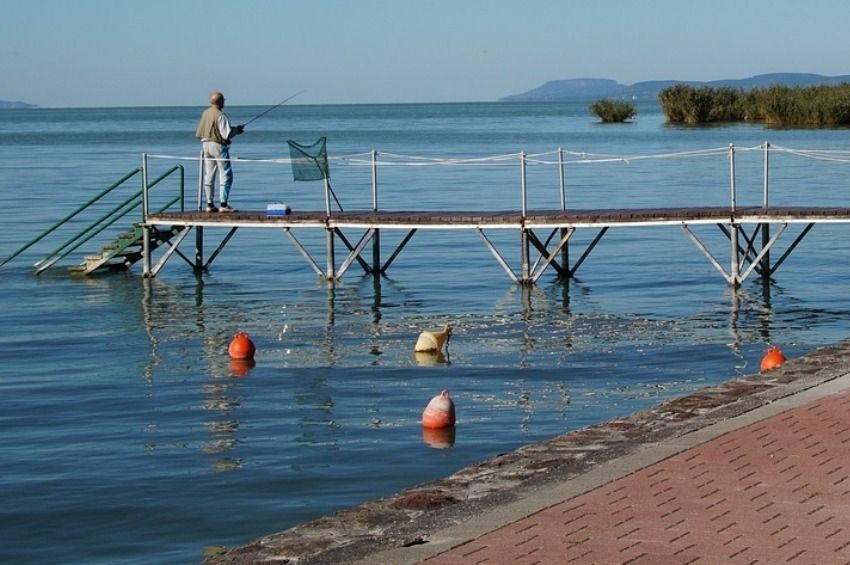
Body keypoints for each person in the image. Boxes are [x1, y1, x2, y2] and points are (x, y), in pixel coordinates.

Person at [195, 92, 244, 213]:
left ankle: (209, 203)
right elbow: (226, 134)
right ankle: (223, 204)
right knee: (225, 174)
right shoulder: (220, 115)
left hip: (205, 145)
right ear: (220, 101)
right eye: (223, 100)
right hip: (218, 146)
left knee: (209, 174)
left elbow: (199, 132)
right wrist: (237, 130)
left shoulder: (205, 113)